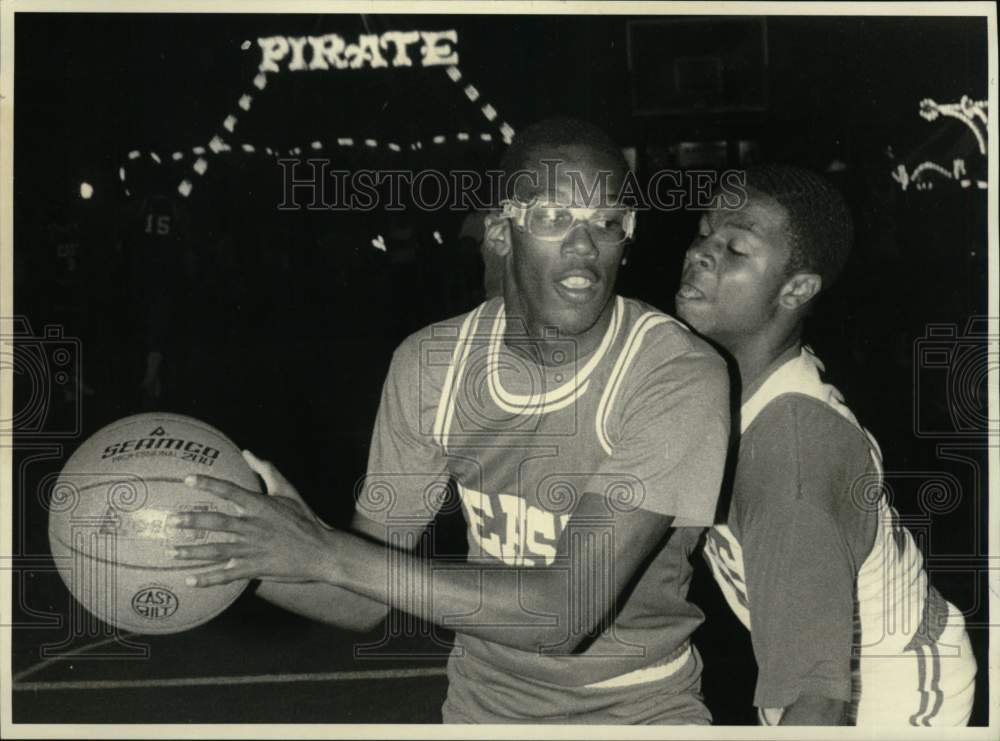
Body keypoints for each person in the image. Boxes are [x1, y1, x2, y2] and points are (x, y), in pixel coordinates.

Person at [168, 117, 731, 724]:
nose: (584, 246)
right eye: (552, 217)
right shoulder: (432, 363)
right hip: (483, 708)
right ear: (499, 233)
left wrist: (323, 550)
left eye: (608, 222)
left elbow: (561, 616)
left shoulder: (675, 373)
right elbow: (363, 598)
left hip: (640, 709)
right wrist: (230, 548)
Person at [674, 164, 977, 725]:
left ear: (797, 289)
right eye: (704, 231)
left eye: (735, 247)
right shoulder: (749, 379)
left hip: (888, 693)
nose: (701, 253)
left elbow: (822, 703)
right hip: (816, 664)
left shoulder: (790, 455)